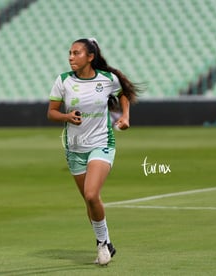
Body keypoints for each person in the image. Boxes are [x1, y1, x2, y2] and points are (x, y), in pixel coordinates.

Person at [47, 38, 138, 265]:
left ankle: (101, 245)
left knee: (91, 194)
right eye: (69, 53)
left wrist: (125, 116)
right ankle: (106, 241)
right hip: (74, 147)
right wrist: (67, 117)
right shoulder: (63, 81)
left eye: (76, 53)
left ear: (90, 57)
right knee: (90, 202)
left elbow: (124, 93)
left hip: (101, 143)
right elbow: (51, 112)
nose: (70, 57)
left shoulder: (107, 79)